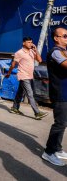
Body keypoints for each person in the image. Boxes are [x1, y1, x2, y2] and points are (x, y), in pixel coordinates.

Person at [42, 27, 67, 166]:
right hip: (60, 93)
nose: (66, 38)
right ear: (56, 38)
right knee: (60, 123)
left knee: (64, 123)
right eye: (64, 36)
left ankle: (57, 148)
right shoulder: (56, 52)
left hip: (65, 92)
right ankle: (48, 152)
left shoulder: (64, 51)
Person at [5, 37, 48, 120]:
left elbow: (39, 60)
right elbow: (13, 64)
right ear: (23, 43)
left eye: (31, 42)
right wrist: (9, 73)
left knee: (20, 92)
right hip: (23, 75)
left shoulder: (32, 51)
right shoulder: (19, 53)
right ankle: (37, 113)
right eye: (28, 42)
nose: (30, 44)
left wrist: (36, 50)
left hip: (30, 75)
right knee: (30, 94)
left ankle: (14, 108)